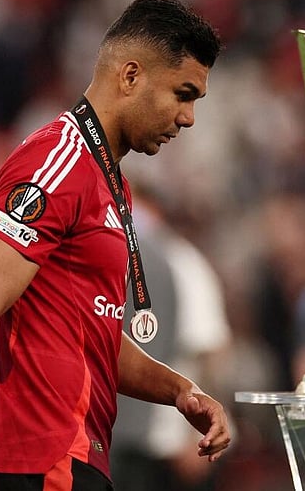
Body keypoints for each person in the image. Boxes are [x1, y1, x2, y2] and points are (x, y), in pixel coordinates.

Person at [0, 0, 230, 491]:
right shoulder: (59, 161)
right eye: (183, 94)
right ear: (131, 75)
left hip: (74, 462)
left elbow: (93, 337)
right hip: (31, 462)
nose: (189, 118)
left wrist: (180, 390)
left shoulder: (111, 184)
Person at [110, 185, 232, 491]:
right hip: (130, 431)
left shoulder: (182, 263)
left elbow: (211, 350)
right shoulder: (123, 253)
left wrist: (193, 435)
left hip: (172, 439)